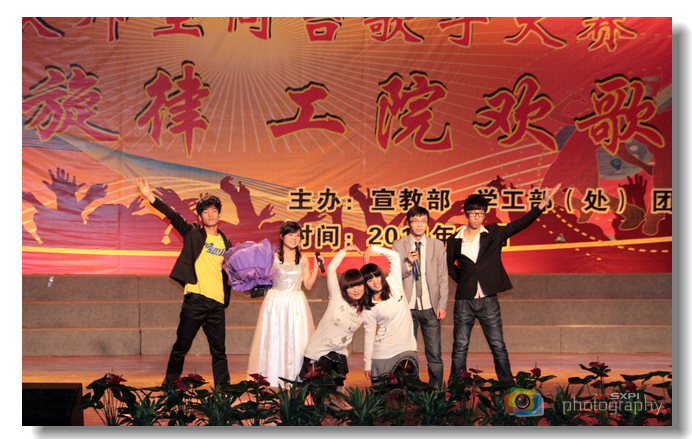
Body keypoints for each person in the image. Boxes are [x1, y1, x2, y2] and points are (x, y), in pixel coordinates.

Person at [446, 184, 561, 383]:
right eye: (473, 213)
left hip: (488, 300)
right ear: (466, 214)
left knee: (498, 345)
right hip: (464, 301)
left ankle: (507, 385)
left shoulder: (493, 233)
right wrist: (465, 281)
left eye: (480, 214)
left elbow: (520, 224)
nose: (477, 217)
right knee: (460, 346)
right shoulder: (454, 239)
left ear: (485, 215)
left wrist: (541, 205)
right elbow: (449, 266)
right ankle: (457, 387)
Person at [136, 178, 232, 388]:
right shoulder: (193, 234)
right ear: (200, 216)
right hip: (195, 299)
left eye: (214, 211)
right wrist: (150, 197)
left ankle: (223, 388)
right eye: (206, 211)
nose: (210, 214)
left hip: (216, 302)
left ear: (219, 214)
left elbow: (231, 272)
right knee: (182, 345)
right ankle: (170, 383)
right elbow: (173, 216)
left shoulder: (226, 242)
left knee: (219, 351)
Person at [247, 221, 320, 387]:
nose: (294, 238)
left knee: (297, 340)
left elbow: (308, 285)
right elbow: (262, 278)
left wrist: (316, 268)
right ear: (282, 236)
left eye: (297, 235)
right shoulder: (272, 256)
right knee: (274, 338)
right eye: (290, 234)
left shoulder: (303, 259)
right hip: (276, 301)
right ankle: (273, 377)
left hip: (296, 302)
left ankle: (296, 377)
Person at [392, 205, 448, 388]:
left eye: (423, 221)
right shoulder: (399, 245)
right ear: (408, 223)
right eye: (415, 221)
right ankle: (411, 388)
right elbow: (394, 275)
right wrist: (408, 263)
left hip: (430, 306)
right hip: (407, 307)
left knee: (435, 354)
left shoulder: (437, 245)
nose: (419, 225)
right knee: (408, 353)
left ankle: (436, 391)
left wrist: (442, 304)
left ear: (427, 223)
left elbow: (443, 276)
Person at [299, 244, 368, 393]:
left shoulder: (365, 309)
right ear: (344, 288)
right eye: (351, 286)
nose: (356, 290)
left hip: (338, 355)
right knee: (315, 397)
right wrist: (344, 251)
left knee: (335, 396)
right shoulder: (337, 298)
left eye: (359, 285)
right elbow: (331, 269)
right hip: (318, 353)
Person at [361, 245, 418, 383]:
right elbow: (369, 335)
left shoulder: (393, 283)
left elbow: (394, 256)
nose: (375, 281)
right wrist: (367, 364)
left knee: (409, 391)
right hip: (383, 354)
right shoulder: (369, 305)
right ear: (365, 284)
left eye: (377, 276)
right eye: (369, 280)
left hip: (407, 349)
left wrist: (372, 248)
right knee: (384, 394)